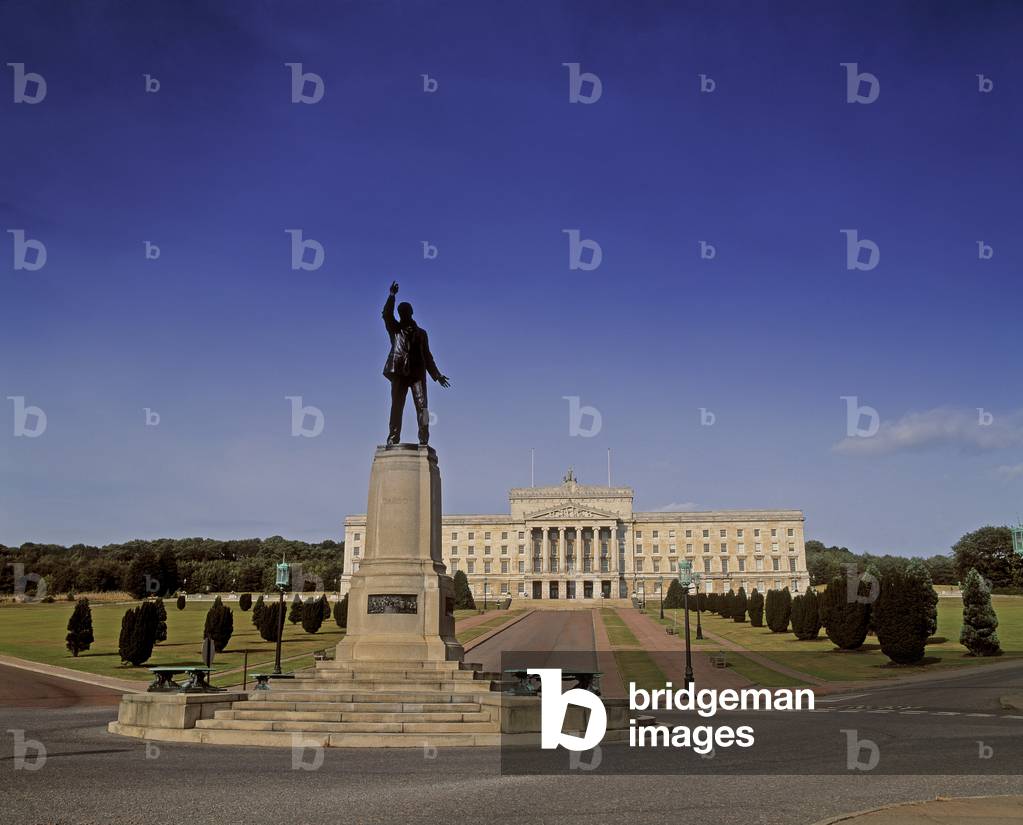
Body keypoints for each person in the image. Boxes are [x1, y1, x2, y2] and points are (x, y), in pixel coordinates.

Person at [382, 280, 450, 445]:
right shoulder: (395, 329)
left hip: (417, 374)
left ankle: (424, 439)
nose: (403, 314)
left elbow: (427, 356)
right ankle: (393, 438)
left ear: (411, 313)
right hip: (399, 371)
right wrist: (392, 296)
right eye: (400, 312)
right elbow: (386, 314)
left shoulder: (421, 333)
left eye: (405, 311)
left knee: (423, 407)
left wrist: (437, 375)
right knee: (397, 406)